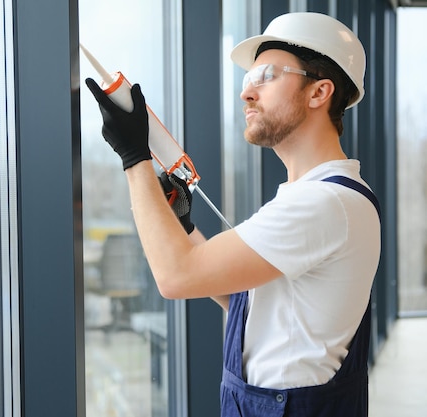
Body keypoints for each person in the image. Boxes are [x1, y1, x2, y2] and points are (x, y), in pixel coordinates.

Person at [85, 12, 380, 417]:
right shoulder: (311, 197)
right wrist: (185, 227)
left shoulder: (324, 204)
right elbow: (247, 299)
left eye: (268, 76)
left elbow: (176, 277)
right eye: (248, 80)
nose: (247, 94)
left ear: (319, 92)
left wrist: (134, 156)